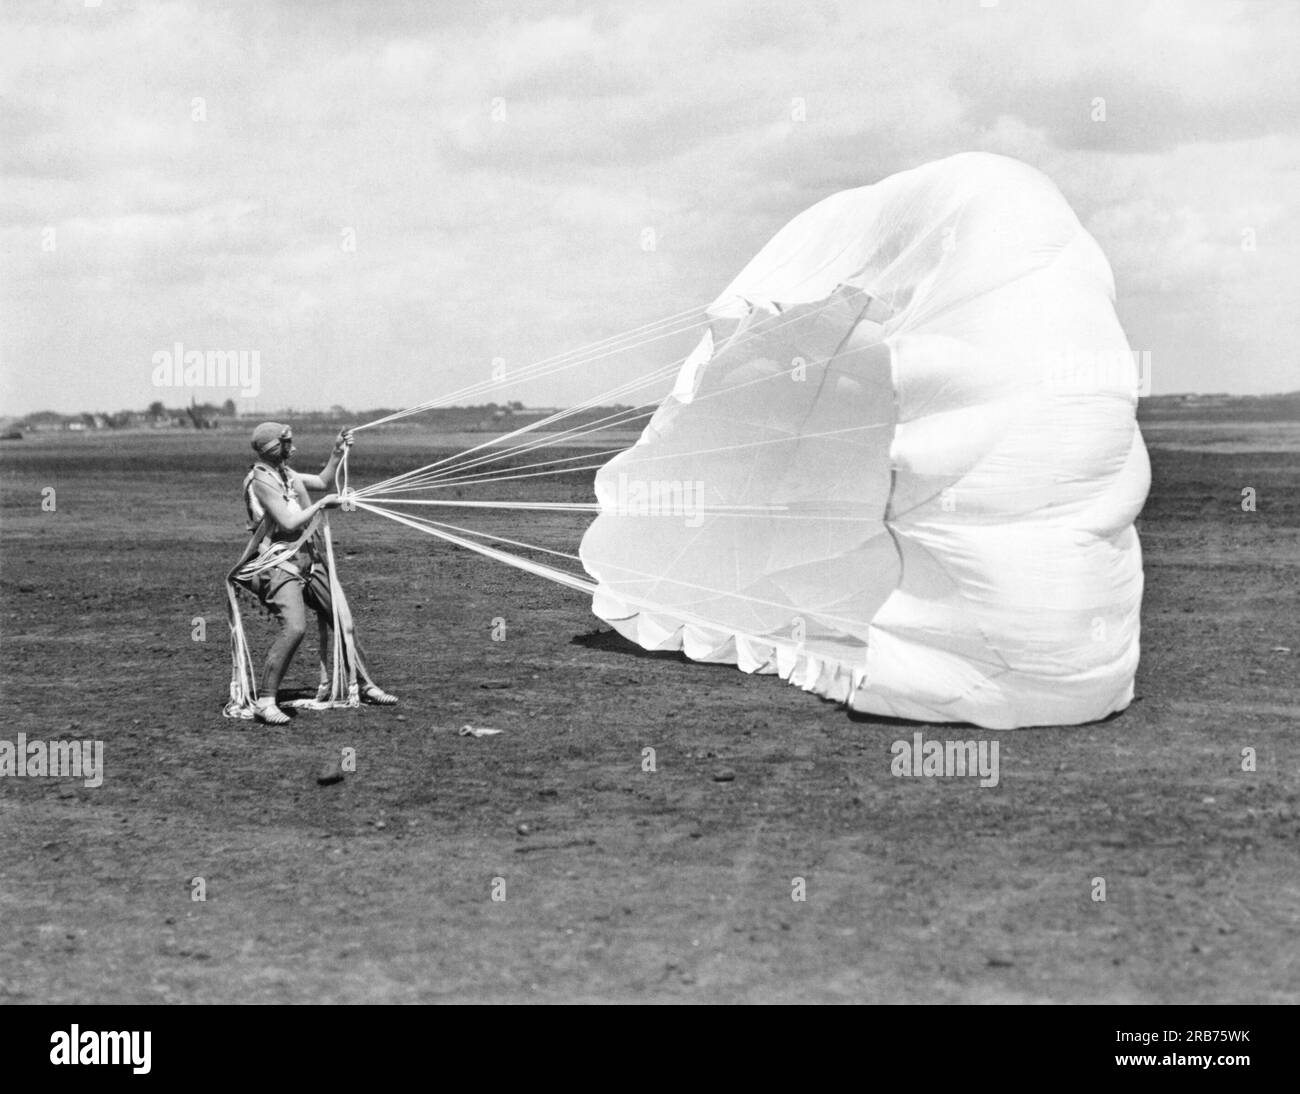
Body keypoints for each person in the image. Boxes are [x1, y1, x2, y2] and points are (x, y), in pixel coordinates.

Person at [237, 421, 397, 725]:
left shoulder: (287, 474)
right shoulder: (261, 480)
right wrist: (323, 505)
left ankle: (363, 684)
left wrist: (337, 453)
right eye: (287, 442)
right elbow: (287, 522)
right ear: (274, 447)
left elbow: (323, 481)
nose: (292, 446)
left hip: (309, 559)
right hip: (279, 565)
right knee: (295, 628)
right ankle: (266, 700)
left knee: (343, 621)